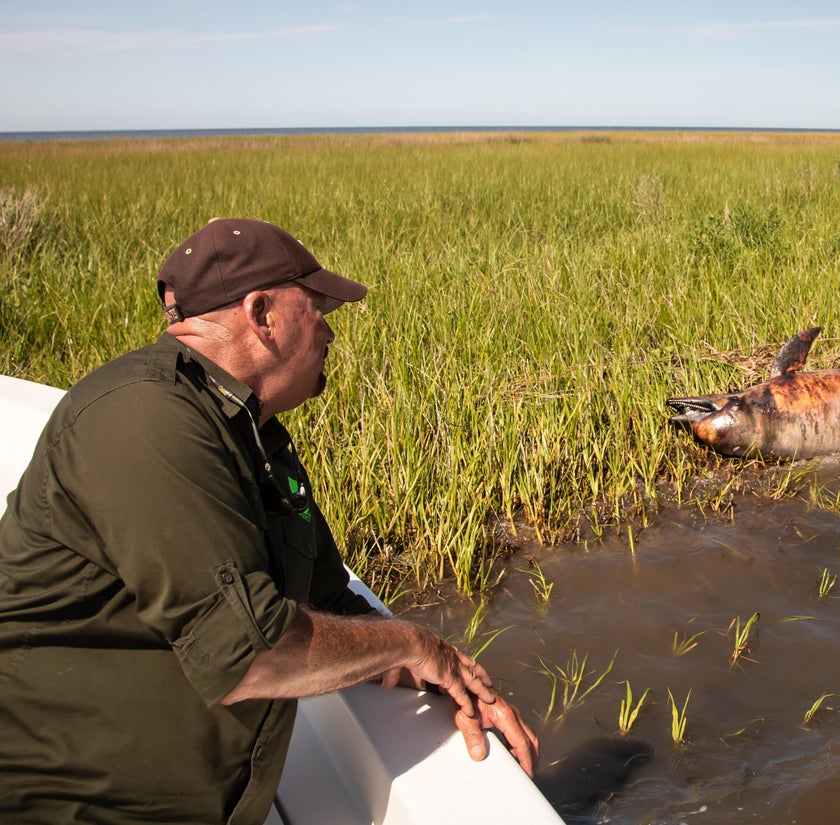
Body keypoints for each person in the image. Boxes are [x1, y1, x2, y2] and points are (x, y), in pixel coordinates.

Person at [0, 218, 538, 824]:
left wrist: (456, 680)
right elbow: (247, 655)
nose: (330, 331)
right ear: (263, 314)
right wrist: (415, 644)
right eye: (318, 308)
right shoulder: (144, 419)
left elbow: (330, 600)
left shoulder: (252, 433)